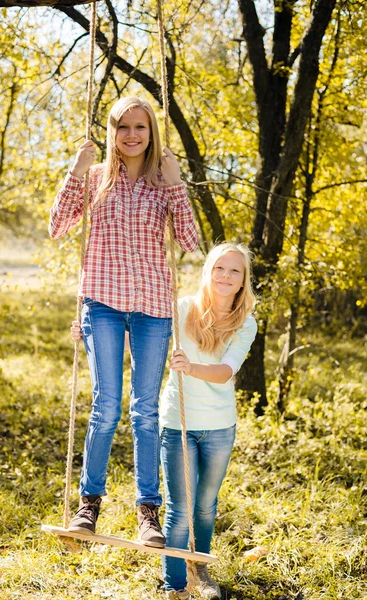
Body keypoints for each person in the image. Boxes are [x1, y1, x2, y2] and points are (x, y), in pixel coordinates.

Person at [50, 96, 198, 548]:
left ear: (151, 132)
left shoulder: (163, 180)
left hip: (153, 306)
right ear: (112, 131)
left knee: (146, 411)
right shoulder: (95, 179)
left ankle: (147, 512)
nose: (132, 135)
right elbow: (57, 227)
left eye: (140, 126)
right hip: (103, 303)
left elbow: (191, 242)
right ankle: (88, 505)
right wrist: (76, 171)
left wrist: (176, 186)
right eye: (123, 127)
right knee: (107, 405)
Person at [159, 242, 257, 599]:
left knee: (205, 505)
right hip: (178, 422)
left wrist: (191, 366)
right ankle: (175, 584)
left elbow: (225, 372)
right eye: (219, 268)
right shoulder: (182, 309)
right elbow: (135, 336)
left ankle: (198, 568)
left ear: (243, 280)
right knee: (180, 508)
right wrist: (88, 331)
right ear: (208, 271)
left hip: (219, 427)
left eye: (234, 271)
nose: (225, 276)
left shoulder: (246, 322)